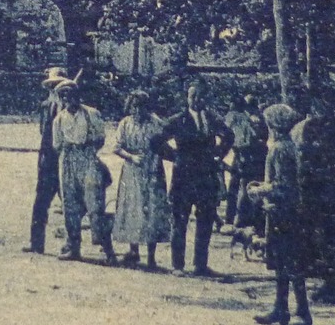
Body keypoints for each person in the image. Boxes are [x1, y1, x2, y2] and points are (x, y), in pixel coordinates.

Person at [151, 79, 227, 276]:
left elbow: (229, 135)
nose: (197, 100)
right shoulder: (178, 120)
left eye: (201, 96)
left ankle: (200, 265)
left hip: (206, 177)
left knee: (206, 221)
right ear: (187, 98)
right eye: (193, 96)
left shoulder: (212, 118)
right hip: (183, 177)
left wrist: (219, 153)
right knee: (179, 221)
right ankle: (178, 265)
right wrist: (174, 156)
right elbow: (156, 141)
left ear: (206, 98)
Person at [247, 103, 311, 325]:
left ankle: (302, 311)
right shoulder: (287, 146)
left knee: (290, 261)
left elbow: (282, 184)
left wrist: (258, 191)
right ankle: (280, 307)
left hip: (284, 210)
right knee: (281, 262)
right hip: (281, 210)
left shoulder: (280, 149)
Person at [295, 89, 335, 304]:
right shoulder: (313, 126)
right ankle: (331, 281)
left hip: (331, 190)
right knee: (324, 238)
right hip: (318, 190)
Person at [52, 79, 115, 264]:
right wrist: (69, 151)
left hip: (88, 159)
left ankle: (106, 248)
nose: (68, 99)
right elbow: (56, 144)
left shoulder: (91, 114)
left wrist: (86, 147)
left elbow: (100, 139)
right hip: (68, 161)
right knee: (70, 205)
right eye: (63, 96)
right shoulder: (59, 119)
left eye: (71, 94)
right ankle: (73, 247)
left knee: (95, 205)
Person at [111, 90, 171, 268]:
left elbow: (164, 143)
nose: (138, 111)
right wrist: (130, 157)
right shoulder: (125, 123)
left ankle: (151, 255)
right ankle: (134, 250)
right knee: (133, 208)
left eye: (142, 107)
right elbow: (117, 147)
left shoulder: (155, 122)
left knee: (152, 209)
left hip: (152, 169)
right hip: (132, 170)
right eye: (134, 107)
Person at [24, 67, 71, 255]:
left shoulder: (71, 107)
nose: (54, 89)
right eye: (52, 85)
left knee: (71, 204)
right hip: (47, 161)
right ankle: (37, 244)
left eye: (58, 85)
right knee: (41, 202)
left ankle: (74, 244)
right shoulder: (45, 107)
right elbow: (42, 132)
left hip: (67, 161)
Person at [223, 93, 265, 231]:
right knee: (241, 186)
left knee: (240, 186)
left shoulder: (242, 117)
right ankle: (237, 218)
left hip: (246, 154)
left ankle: (235, 218)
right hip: (248, 154)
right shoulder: (251, 118)